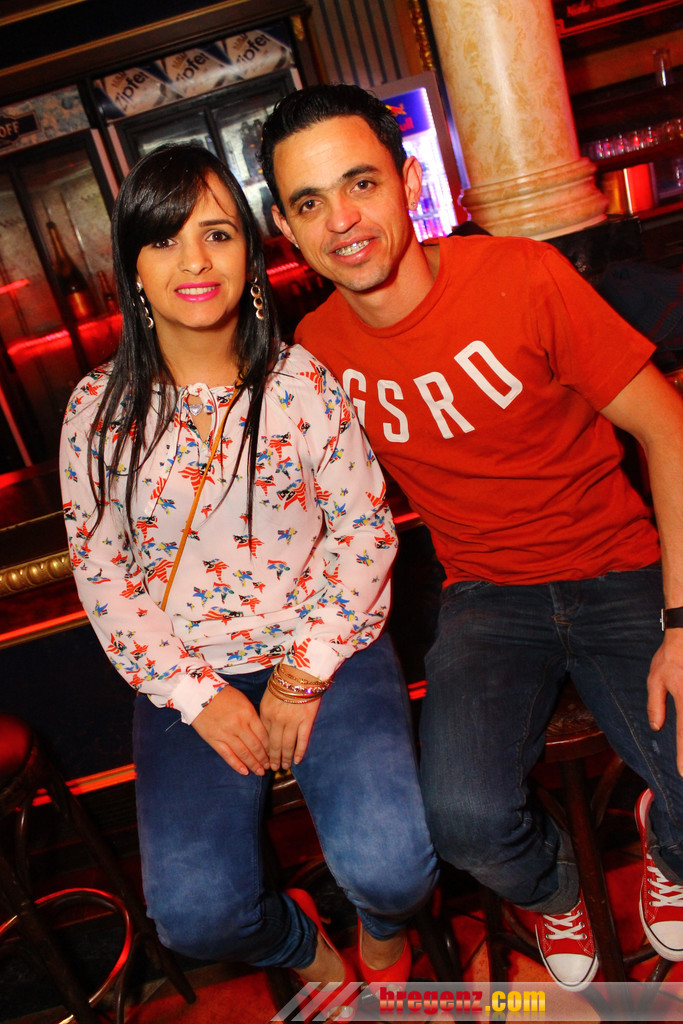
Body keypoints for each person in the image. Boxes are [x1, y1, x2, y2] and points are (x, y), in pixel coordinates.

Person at [260, 83, 683, 992]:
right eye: (310, 202)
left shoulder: (519, 275)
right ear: (286, 230)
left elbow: (667, 428)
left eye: (361, 183)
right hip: (488, 598)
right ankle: (556, 887)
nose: (342, 220)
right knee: (462, 824)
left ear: (408, 181)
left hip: (617, 566)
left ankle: (667, 843)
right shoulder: (314, 353)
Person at [59, 143, 437, 1021]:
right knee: (198, 916)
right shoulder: (96, 412)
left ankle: (383, 932)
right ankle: (302, 943)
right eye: (164, 239)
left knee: (395, 868)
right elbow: (103, 575)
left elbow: (363, 532)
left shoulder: (303, 382)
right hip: (188, 671)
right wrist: (199, 696)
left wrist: (303, 673)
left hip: (327, 647)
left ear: (250, 253)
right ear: (132, 266)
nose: (193, 261)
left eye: (217, 234)